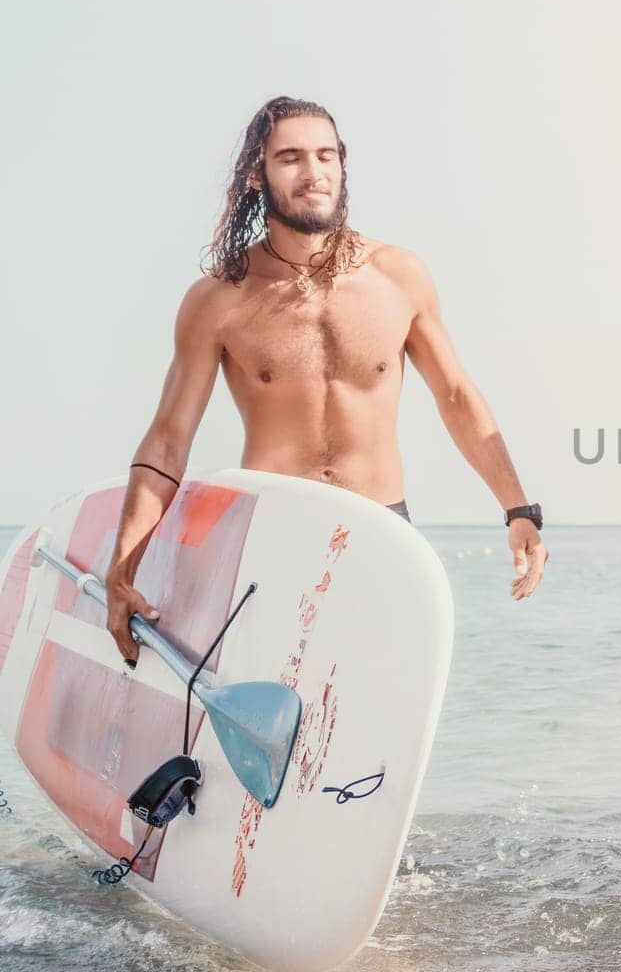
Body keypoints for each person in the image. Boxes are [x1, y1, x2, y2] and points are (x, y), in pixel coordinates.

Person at [104, 96, 547, 665]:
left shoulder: (398, 275)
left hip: (382, 528)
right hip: (276, 529)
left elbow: (456, 394)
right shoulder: (218, 300)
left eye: (326, 156)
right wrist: (122, 570)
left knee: (383, 699)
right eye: (290, 158)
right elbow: (168, 438)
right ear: (255, 174)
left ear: (342, 165)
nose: (313, 173)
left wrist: (518, 510)